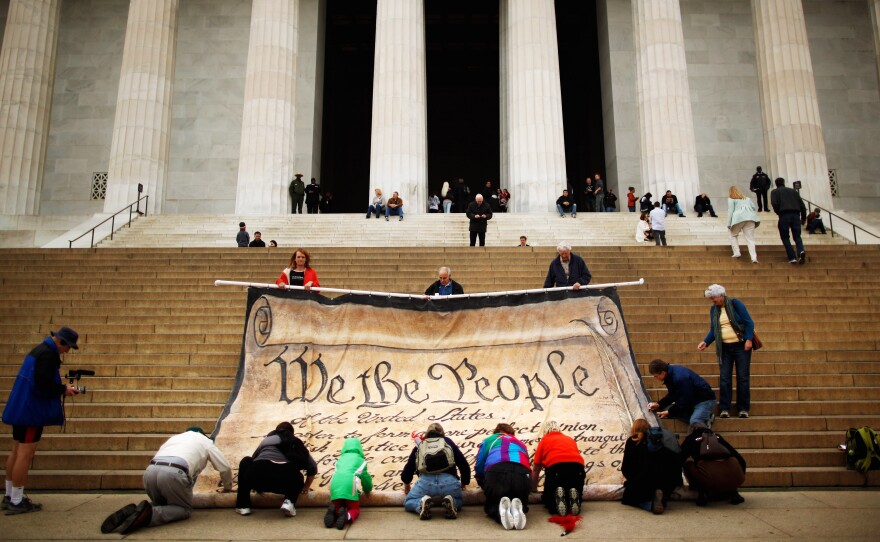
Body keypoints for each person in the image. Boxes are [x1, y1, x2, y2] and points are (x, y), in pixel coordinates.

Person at [2, 327, 81, 515]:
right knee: (25, 454)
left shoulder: (38, 351)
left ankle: (9, 495)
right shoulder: (48, 355)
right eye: (68, 347)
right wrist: (63, 389)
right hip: (31, 412)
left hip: (20, 407)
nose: (68, 351)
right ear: (61, 342)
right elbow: (42, 383)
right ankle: (16, 500)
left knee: (15, 451)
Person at [100, 426, 233, 534]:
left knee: (162, 505)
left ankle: (134, 512)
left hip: (150, 472)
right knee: (183, 509)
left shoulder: (174, 438)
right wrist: (227, 487)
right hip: (174, 472)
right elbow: (225, 467)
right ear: (203, 434)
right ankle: (148, 515)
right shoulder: (205, 441)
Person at [697, 284, 755, 419]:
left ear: (721, 295)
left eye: (714, 298)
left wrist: (748, 339)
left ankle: (743, 408)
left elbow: (749, 322)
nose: (712, 301)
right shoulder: (714, 310)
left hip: (741, 346)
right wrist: (706, 341)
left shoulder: (736, 304)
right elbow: (713, 329)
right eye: (711, 299)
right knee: (725, 378)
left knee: (743, 378)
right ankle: (724, 408)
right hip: (724, 348)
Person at [235, 421, 316, 517]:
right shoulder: (295, 442)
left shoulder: (267, 440)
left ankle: (243, 506)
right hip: (284, 481)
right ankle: (289, 502)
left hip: (259, 475)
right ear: (292, 433)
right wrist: (305, 488)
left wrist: (257, 485)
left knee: (246, 461)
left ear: (275, 431)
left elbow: (253, 459)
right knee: (298, 476)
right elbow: (313, 466)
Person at [401, 423, 471, 520]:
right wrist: (464, 483)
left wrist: (407, 487)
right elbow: (464, 465)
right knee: (459, 500)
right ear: (442, 433)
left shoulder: (421, 444)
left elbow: (409, 468)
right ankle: (452, 502)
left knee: (408, 502)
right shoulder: (447, 442)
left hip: (426, 483)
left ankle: (420, 504)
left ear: (427, 433)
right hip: (449, 482)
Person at [474, 423, 530, 530]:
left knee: (492, 504)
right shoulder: (521, 444)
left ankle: (499, 511)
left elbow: (480, 464)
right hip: (522, 474)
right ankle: (519, 508)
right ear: (512, 433)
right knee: (520, 497)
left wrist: (481, 481)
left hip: (497, 472)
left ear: (496, 431)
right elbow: (528, 464)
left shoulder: (488, 440)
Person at [620, 419, 682, 515]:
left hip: (645, 481)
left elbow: (626, 467)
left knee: (628, 498)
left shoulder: (632, 440)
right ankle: (659, 498)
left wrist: (631, 480)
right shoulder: (659, 440)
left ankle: (650, 505)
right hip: (665, 481)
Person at [680, 423, 746, 506]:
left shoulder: (691, 438)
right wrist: (737, 480)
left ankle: (701, 493)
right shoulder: (718, 437)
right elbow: (742, 461)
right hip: (736, 479)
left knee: (688, 464)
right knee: (731, 462)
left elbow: (679, 460)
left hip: (709, 477)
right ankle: (734, 493)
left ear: (691, 431)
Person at [530, 420, 585, 517]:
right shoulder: (569, 439)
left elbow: (536, 469)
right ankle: (575, 498)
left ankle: (556, 501)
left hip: (556, 468)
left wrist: (533, 488)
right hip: (578, 468)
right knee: (574, 487)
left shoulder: (544, 440)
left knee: (548, 498)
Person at [647, 358, 717, 428]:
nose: (655, 378)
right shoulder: (669, 375)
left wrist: (670, 412)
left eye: (656, 376)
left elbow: (684, 399)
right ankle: (702, 416)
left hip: (705, 401)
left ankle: (706, 419)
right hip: (692, 401)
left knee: (695, 421)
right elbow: (672, 395)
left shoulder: (680, 377)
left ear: (663, 373)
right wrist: (659, 404)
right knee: (666, 409)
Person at [325, 437, 372, 529]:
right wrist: (367, 490)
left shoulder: (339, 460)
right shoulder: (362, 461)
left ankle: (334, 511)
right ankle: (347, 516)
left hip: (335, 487)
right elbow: (366, 479)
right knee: (354, 508)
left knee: (338, 505)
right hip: (351, 487)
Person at [770, 177, 807, 264]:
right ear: (784, 183)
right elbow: (802, 205)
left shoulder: (774, 192)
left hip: (784, 215)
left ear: (776, 184)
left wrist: (778, 212)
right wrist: (804, 217)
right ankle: (800, 251)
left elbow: (774, 203)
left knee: (785, 237)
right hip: (796, 215)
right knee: (797, 236)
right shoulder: (793, 191)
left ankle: (792, 257)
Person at [727, 186, 760, 263]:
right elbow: (753, 207)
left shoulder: (731, 199)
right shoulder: (747, 199)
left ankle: (737, 252)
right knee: (750, 239)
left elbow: (730, 211)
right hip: (750, 218)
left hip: (738, 218)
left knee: (733, 235)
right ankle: (754, 258)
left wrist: (728, 223)